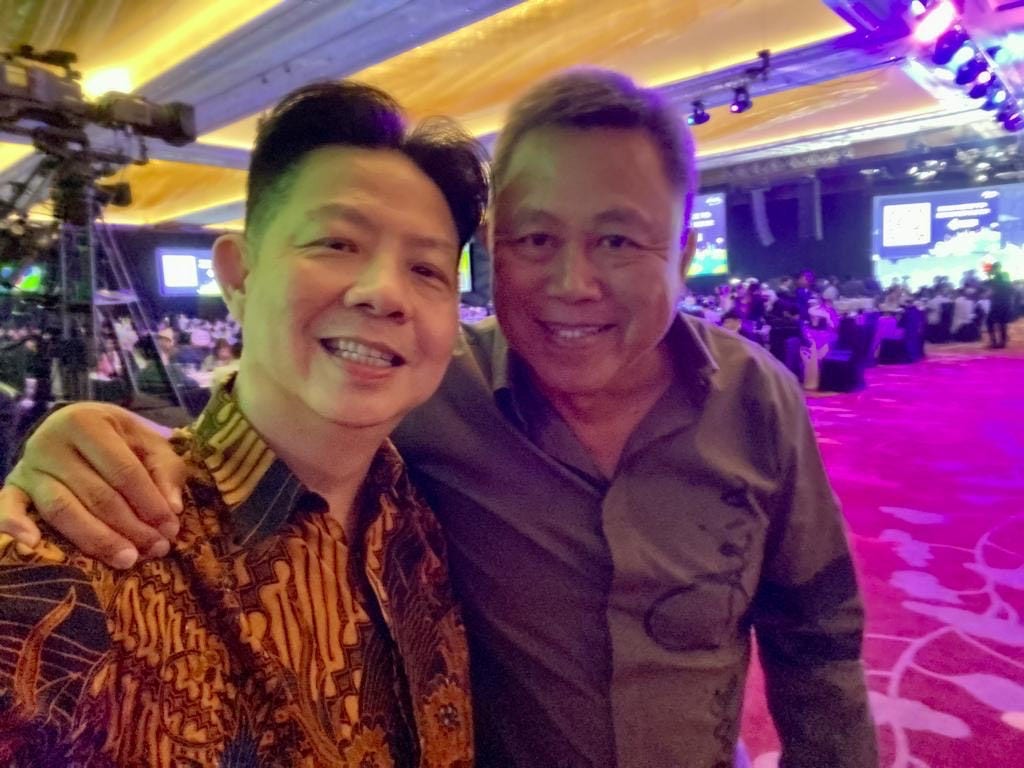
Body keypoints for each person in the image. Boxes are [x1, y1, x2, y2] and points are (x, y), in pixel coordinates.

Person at [1, 69, 876, 767]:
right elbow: (280, 418)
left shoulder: (756, 399)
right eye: (535, 240)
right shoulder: (429, 390)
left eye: (618, 240)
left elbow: (820, 640)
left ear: (682, 253)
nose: (572, 283)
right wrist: (92, 441)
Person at [0, 81, 483, 767]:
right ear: (239, 275)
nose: (384, 292)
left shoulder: (430, 519)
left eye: (428, 269)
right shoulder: (65, 568)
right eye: (337, 242)